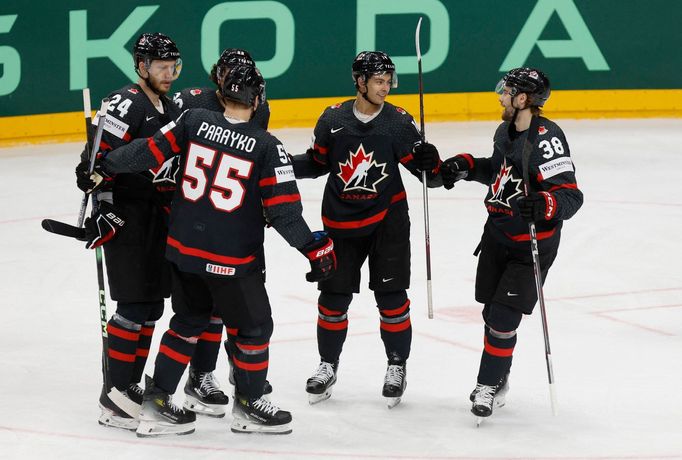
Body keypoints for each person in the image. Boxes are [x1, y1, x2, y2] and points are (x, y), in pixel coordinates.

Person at [82, 64, 336, 436]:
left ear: (224, 94)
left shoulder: (194, 120)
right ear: (258, 99)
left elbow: (146, 153)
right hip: (230, 259)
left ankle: (158, 399)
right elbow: (284, 214)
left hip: (183, 251)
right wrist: (315, 247)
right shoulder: (267, 146)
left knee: (187, 321)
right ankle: (249, 405)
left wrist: (104, 164)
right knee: (254, 326)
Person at [74, 33, 228, 430]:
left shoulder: (172, 105)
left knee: (152, 308)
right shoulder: (125, 102)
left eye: (173, 66)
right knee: (133, 307)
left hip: (159, 218)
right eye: (161, 66)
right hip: (127, 218)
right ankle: (115, 395)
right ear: (141, 66)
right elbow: (94, 164)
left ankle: (128, 388)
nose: (169, 73)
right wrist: (103, 208)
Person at [290, 51, 442, 408]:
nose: (386, 88)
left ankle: (396, 365)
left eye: (389, 81)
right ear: (359, 82)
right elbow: (317, 163)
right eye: (378, 81)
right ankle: (328, 364)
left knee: (391, 300)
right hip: (340, 223)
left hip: (387, 223)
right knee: (332, 300)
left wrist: (430, 162)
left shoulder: (398, 123)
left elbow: (430, 179)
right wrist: (279, 166)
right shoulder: (333, 119)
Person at [439, 67, 583, 421]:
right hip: (497, 236)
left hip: (531, 245)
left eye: (507, 92)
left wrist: (546, 205)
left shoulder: (546, 138)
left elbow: (570, 195)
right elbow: (499, 172)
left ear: (522, 99)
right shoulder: (505, 131)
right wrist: (467, 166)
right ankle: (499, 375)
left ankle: (487, 385)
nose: (501, 96)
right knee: (491, 313)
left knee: (504, 318)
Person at [172, 47, 273, 398]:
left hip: (232, 222)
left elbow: (252, 165)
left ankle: (237, 364)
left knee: (232, 304)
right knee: (206, 307)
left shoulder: (258, 108)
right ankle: (201, 373)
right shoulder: (191, 104)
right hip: (194, 214)